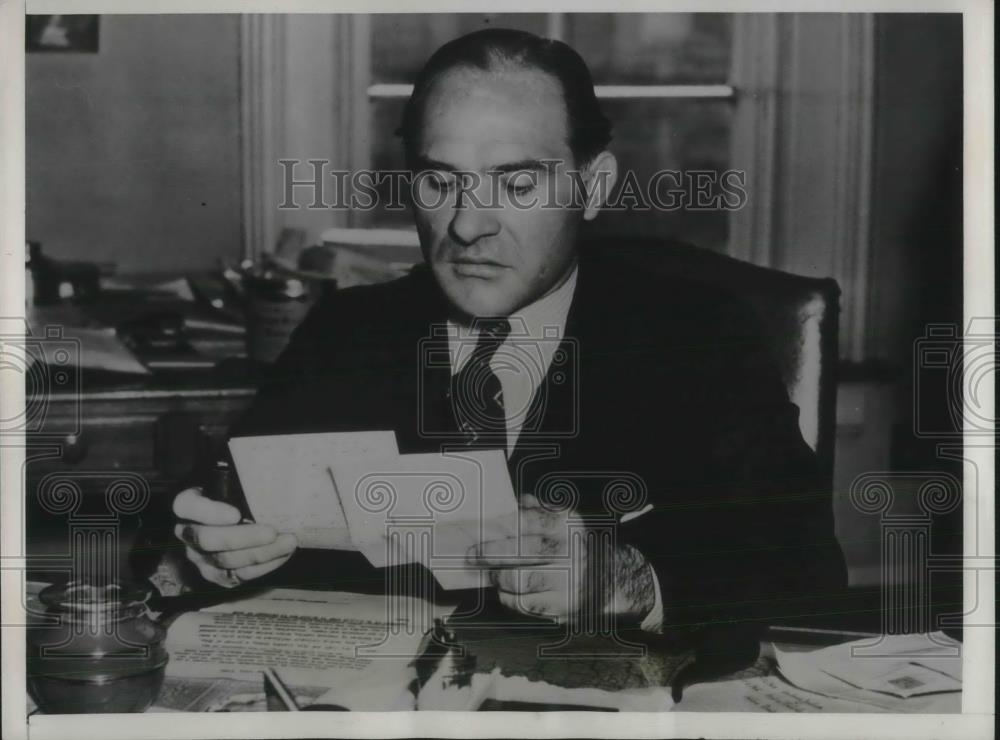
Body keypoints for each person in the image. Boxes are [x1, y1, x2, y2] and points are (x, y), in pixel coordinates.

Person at [171, 29, 846, 646]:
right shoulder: (347, 332)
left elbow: (808, 572)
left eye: (516, 183)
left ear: (593, 186)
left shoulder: (699, 337)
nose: (467, 226)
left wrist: (632, 580)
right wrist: (208, 554)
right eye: (440, 181)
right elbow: (219, 524)